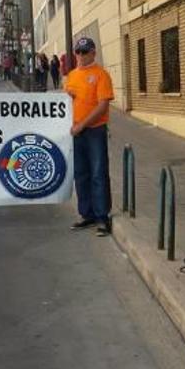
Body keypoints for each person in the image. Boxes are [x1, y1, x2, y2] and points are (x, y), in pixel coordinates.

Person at [65, 37, 114, 237]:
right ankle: (87, 214)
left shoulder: (101, 75)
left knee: (98, 173)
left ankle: (102, 217)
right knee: (81, 173)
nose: (81, 56)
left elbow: (102, 105)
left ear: (93, 52)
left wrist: (82, 125)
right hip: (77, 131)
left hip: (94, 130)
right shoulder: (72, 75)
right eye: (78, 52)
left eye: (85, 52)